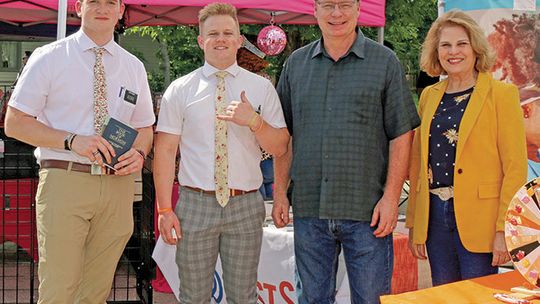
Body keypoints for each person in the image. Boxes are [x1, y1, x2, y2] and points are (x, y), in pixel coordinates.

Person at [4, 0, 155, 302]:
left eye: (110, 2)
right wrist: (71, 140)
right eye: (93, 1)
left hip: (117, 186)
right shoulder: (49, 58)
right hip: (65, 180)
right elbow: (14, 123)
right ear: (78, 7)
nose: (102, 8)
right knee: (59, 289)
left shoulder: (133, 66)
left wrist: (139, 154)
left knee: (96, 291)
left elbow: (144, 128)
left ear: (121, 10)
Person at [272, 0, 420, 302]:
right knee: (312, 299)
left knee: (370, 299)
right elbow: (283, 136)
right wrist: (279, 193)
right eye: (327, 5)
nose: (336, 13)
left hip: (367, 211)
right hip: (310, 208)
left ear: (357, 9)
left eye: (343, 5)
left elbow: (402, 134)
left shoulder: (385, 62)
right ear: (315, 11)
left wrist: (392, 198)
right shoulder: (296, 65)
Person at [153, 3, 289, 303]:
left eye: (228, 32)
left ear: (239, 40)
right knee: (193, 296)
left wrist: (253, 119)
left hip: (245, 205)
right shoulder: (181, 89)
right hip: (194, 204)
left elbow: (280, 146)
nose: (221, 39)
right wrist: (165, 209)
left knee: (243, 296)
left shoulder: (261, 88)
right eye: (212, 33)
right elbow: (164, 152)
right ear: (201, 41)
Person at [406, 10, 527, 286]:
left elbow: (515, 168)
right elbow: (418, 161)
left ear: (475, 48)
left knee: (476, 296)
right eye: (445, 45)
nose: (453, 52)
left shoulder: (503, 96)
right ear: (436, 52)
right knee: (445, 295)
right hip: (435, 217)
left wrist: (504, 230)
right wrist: (414, 222)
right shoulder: (428, 96)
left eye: (461, 43)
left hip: (482, 221)